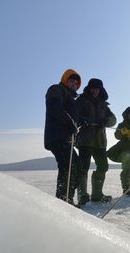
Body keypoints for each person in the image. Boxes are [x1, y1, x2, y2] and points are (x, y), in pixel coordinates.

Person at [44, 69, 84, 205]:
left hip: (66, 138)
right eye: (71, 81)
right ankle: (63, 201)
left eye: (76, 83)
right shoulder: (56, 89)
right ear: (65, 80)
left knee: (77, 168)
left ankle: (67, 199)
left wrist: (80, 121)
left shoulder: (70, 98)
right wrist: (69, 122)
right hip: (57, 136)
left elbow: (72, 118)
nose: (74, 84)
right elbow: (54, 107)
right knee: (68, 166)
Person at [76, 78, 117, 205]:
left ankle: (97, 195)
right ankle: (82, 196)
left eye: (97, 88)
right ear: (89, 88)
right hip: (85, 141)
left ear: (100, 90)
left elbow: (113, 119)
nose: (94, 90)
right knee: (83, 168)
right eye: (92, 88)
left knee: (103, 166)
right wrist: (82, 119)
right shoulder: (81, 100)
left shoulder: (103, 104)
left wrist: (105, 121)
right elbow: (73, 115)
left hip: (100, 142)